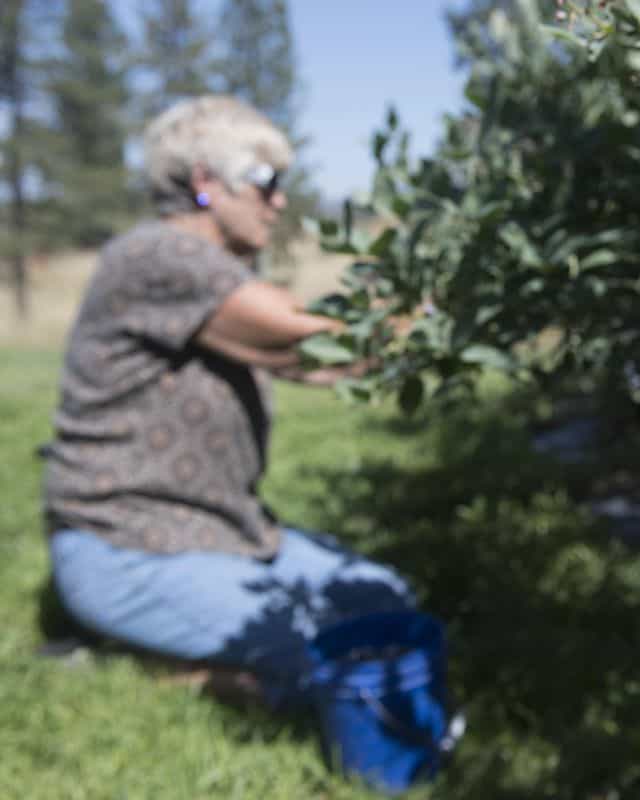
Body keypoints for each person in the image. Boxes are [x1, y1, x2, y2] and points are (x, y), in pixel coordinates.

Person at [39, 95, 413, 706]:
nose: (280, 201)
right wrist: (434, 312)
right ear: (206, 182)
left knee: (382, 600)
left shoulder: (211, 268)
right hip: (128, 545)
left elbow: (311, 362)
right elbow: (304, 337)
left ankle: (176, 641)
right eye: (267, 183)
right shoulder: (159, 254)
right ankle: (162, 666)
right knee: (322, 652)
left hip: (227, 534)